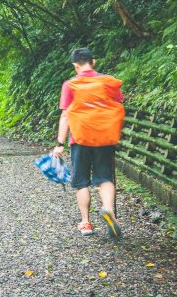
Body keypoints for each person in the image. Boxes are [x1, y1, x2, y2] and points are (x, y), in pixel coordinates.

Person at [53, 48, 124, 238]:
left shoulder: (70, 85)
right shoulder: (107, 82)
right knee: (105, 178)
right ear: (93, 62)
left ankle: (86, 223)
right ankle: (108, 209)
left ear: (76, 66)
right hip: (104, 137)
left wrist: (60, 143)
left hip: (80, 138)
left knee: (81, 181)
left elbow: (66, 115)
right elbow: (117, 104)